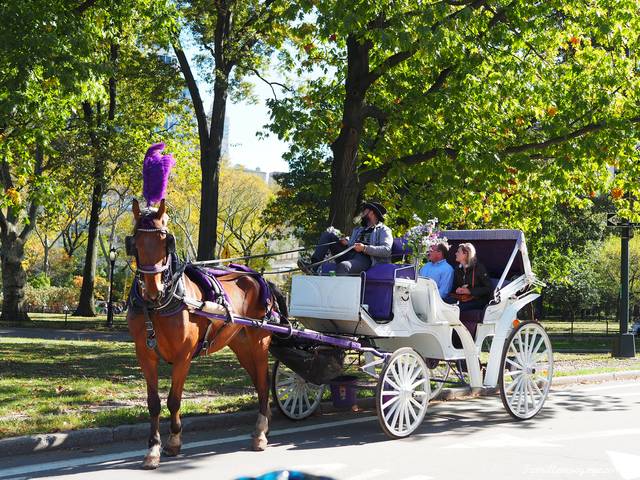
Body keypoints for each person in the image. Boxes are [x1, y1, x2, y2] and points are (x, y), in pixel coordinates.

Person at [298, 201, 393, 275]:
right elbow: (352, 240)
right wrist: (347, 240)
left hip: (365, 259)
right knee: (328, 234)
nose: (362, 213)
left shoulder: (384, 230)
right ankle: (313, 267)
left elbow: (387, 250)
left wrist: (364, 248)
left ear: (371, 213)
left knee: (344, 266)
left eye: (365, 210)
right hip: (349, 252)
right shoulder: (359, 229)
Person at [444, 242, 492, 311]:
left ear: (466, 254)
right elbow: (454, 287)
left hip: (478, 300)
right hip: (463, 298)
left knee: (456, 309)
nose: (455, 254)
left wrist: (470, 291)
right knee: (443, 302)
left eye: (458, 252)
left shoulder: (479, 268)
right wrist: (457, 290)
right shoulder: (458, 269)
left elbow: (488, 288)